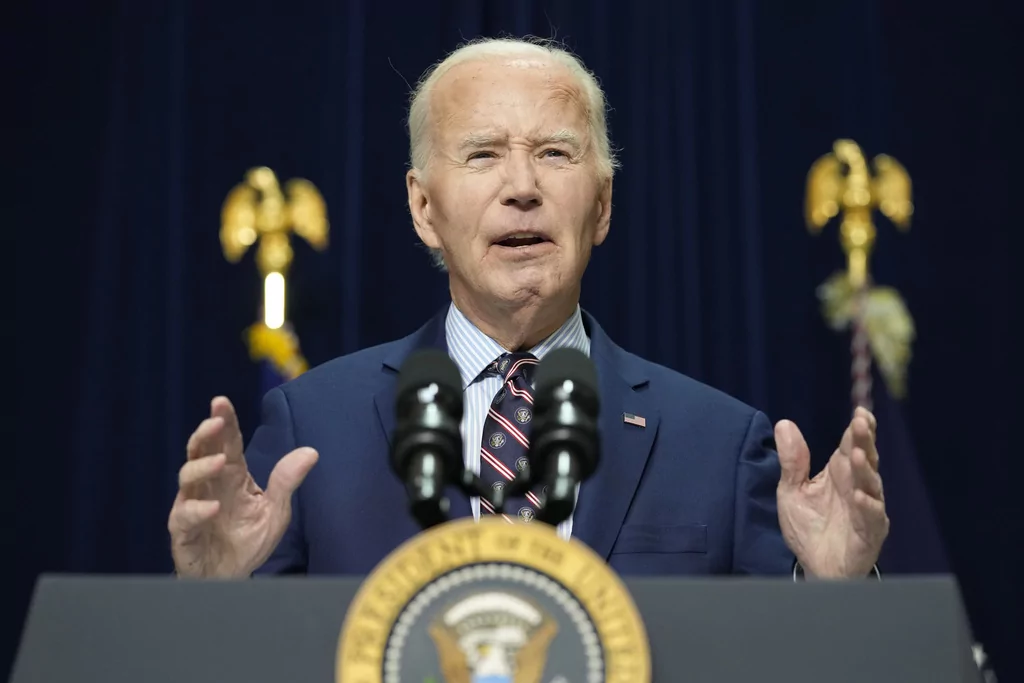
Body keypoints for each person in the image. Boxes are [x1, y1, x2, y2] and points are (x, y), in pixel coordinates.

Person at [168, 37, 889, 579]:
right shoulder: (313, 429)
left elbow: (775, 655)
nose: (522, 186)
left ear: (601, 205)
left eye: (554, 153)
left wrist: (831, 590)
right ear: (424, 207)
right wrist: (217, 597)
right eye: (483, 155)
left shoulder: (719, 442)